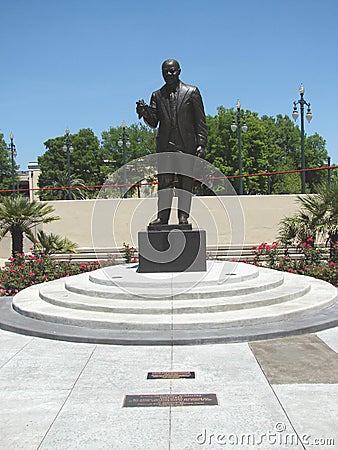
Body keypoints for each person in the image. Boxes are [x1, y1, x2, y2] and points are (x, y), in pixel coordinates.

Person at [136, 59, 208, 225]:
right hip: (165, 147)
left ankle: (183, 216)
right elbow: (154, 122)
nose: (169, 74)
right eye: (165, 72)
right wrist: (145, 112)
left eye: (172, 71)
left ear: (179, 71)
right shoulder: (157, 95)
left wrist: (201, 144)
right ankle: (163, 217)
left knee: (185, 183)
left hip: (186, 145)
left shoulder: (192, 92)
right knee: (165, 184)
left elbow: (200, 122)